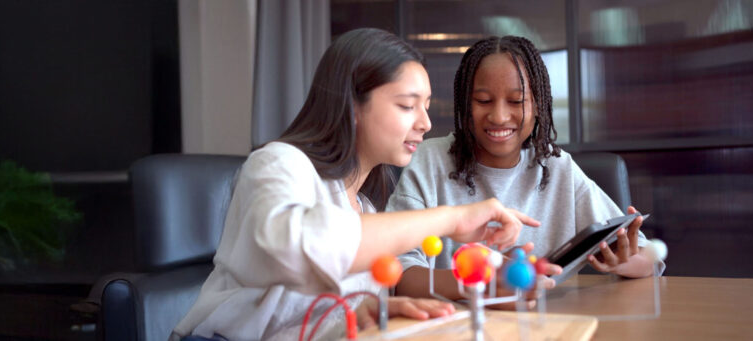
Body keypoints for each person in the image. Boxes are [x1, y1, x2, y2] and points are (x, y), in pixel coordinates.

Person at [172, 28, 538, 341]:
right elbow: (301, 249)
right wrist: (451, 219)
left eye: (426, 106)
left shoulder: (365, 208)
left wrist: (369, 312)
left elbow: (310, 316)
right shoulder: (278, 164)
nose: (426, 123)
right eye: (407, 105)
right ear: (351, 105)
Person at [389, 36, 655, 306]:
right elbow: (397, 276)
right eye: (483, 100)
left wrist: (623, 260)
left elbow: (648, 259)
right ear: (464, 104)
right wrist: (483, 281)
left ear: (539, 105)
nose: (499, 117)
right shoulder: (428, 161)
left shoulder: (557, 166)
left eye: (516, 101)